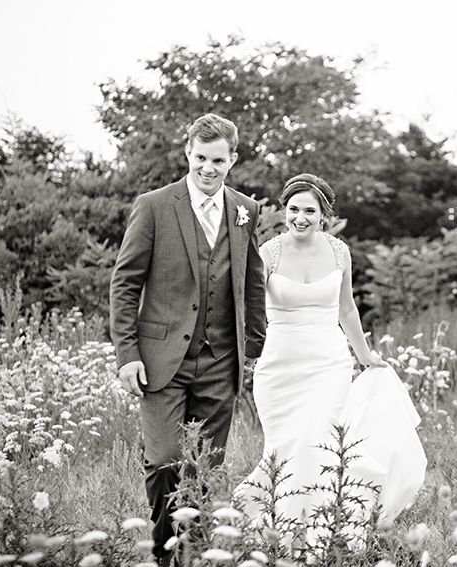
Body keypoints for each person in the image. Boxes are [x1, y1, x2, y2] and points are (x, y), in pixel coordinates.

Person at [234, 173, 426, 553]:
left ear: (324, 215)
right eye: (293, 209)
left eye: (309, 211)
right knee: (286, 449)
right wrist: (243, 351)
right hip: (279, 367)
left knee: (317, 440)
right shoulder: (268, 252)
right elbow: (246, 306)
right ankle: (280, 531)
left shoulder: (339, 252)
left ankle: (323, 535)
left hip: (329, 364)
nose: (300, 217)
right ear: (284, 211)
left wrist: (364, 355)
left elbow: (346, 308)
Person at [109, 113, 267, 565]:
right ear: (187, 153)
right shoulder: (154, 206)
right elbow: (125, 283)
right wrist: (127, 354)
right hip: (162, 359)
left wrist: (255, 349)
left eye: (218, 160)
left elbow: (251, 282)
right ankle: (165, 551)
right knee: (165, 460)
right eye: (200, 158)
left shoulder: (245, 210)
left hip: (221, 361)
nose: (207, 168)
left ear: (232, 159)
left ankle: (190, 556)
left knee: (204, 469)